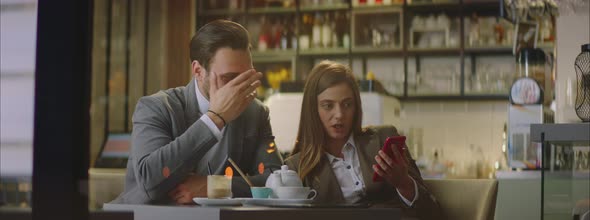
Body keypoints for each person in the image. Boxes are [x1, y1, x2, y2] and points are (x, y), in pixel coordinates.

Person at [112, 20, 282, 204]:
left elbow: (277, 182)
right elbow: (150, 181)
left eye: (246, 76)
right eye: (229, 78)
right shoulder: (156, 108)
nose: (239, 87)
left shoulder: (255, 113)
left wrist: (215, 186)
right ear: (198, 71)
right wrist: (214, 119)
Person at [286, 60, 444, 219]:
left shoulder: (384, 140)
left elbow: (433, 212)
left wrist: (404, 184)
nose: (339, 114)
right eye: (328, 106)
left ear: (356, 107)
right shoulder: (298, 168)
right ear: (313, 110)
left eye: (347, 104)